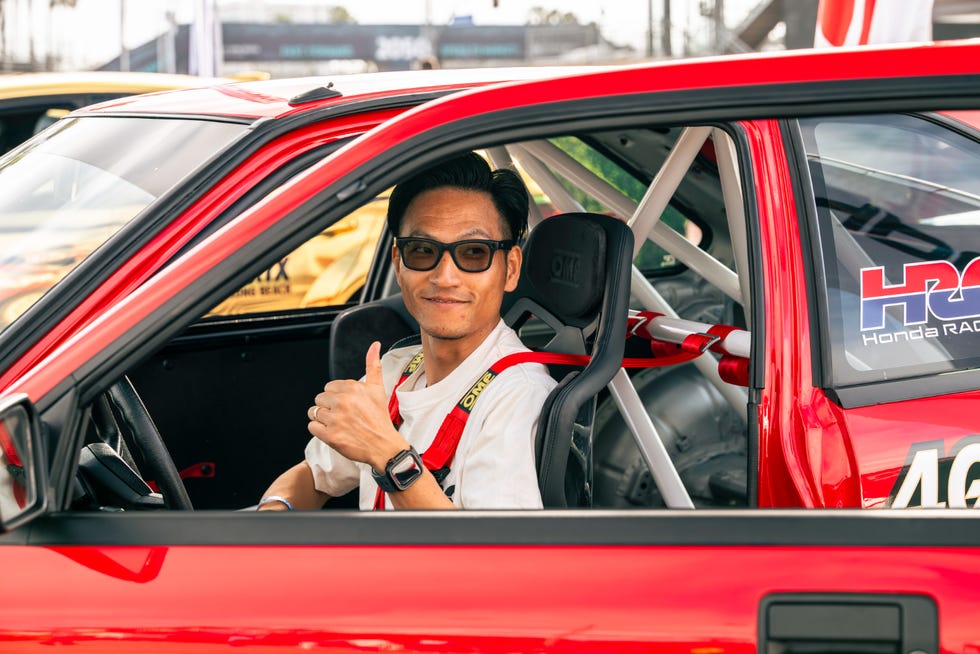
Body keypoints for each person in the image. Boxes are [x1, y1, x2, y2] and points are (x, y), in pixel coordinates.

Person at [258, 153, 556, 511]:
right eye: (422, 250)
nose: (445, 277)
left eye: (474, 253)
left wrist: (386, 453)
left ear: (510, 269)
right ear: (398, 263)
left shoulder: (518, 393)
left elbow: (484, 557)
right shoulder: (396, 369)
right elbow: (312, 474)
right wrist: (273, 513)